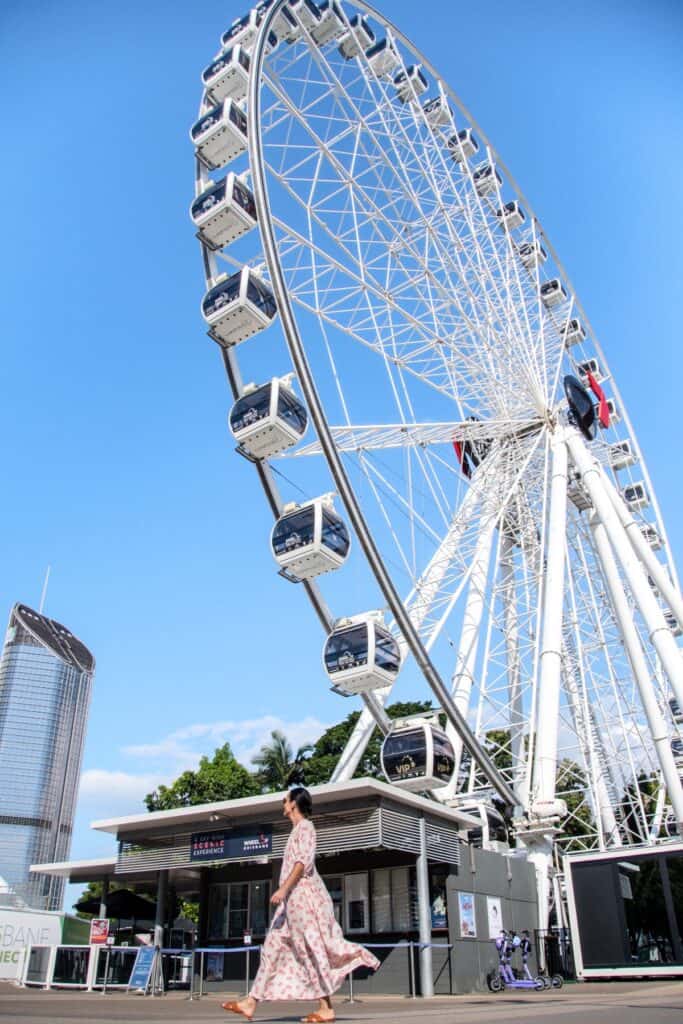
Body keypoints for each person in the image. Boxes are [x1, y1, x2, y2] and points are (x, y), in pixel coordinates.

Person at [222, 787, 379, 1023]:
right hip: (290, 904)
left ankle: (326, 1007)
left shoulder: (306, 827)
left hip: (304, 898)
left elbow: (301, 863)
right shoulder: (296, 831)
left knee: (311, 949)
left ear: (294, 803)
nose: (282, 803)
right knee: (272, 947)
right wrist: (285, 895)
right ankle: (251, 1002)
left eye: (285, 800)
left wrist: (283, 888)